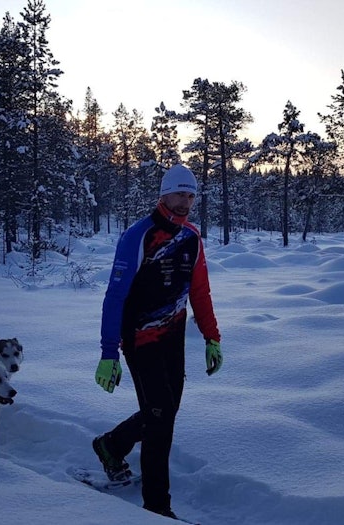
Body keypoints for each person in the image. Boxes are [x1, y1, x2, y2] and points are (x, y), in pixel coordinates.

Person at [92, 164, 223, 519]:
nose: (185, 202)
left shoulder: (191, 238)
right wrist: (108, 353)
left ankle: (111, 445)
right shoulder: (138, 236)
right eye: (179, 194)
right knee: (160, 419)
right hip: (140, 339)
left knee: (163, 412)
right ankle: (157, 507)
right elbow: (115, 297)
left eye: (191, 196)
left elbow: (200, 292)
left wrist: (212, 337)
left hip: (173, 338)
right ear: (164, 194)